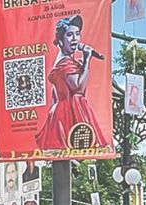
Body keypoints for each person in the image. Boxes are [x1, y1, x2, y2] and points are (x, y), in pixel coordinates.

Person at [35, 15, 108, 151]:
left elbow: (55, 94)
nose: (75, 38)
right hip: (69, 114)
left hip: (65, 113)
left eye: (77, 34)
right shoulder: (66, 62)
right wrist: (86, 60)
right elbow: (78, 87)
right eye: (69, 35)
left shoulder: (65, 60)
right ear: (61, 41)